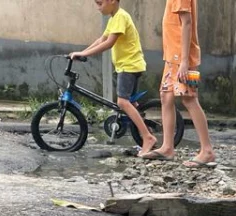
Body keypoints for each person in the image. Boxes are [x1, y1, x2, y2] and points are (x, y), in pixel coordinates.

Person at [70, 0, 157, 156]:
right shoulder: (114, 18)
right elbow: (101, 40)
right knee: (131, 103)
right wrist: (81, 52)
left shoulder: (121, 17)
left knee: (122, 102)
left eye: (100, 3)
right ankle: (147, 132)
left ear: (112, 1)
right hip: (130, 65)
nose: (98, 8)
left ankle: (147, 137)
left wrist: (84, 54)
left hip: (129, 66)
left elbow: (109, 43)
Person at [141, 0, 216, 168]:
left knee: (189, 98)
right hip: (173, 57)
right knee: (166, 96)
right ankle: (167, 147)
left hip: (181, 58)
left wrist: (184, 61)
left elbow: (186, 22)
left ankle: (207, 150)